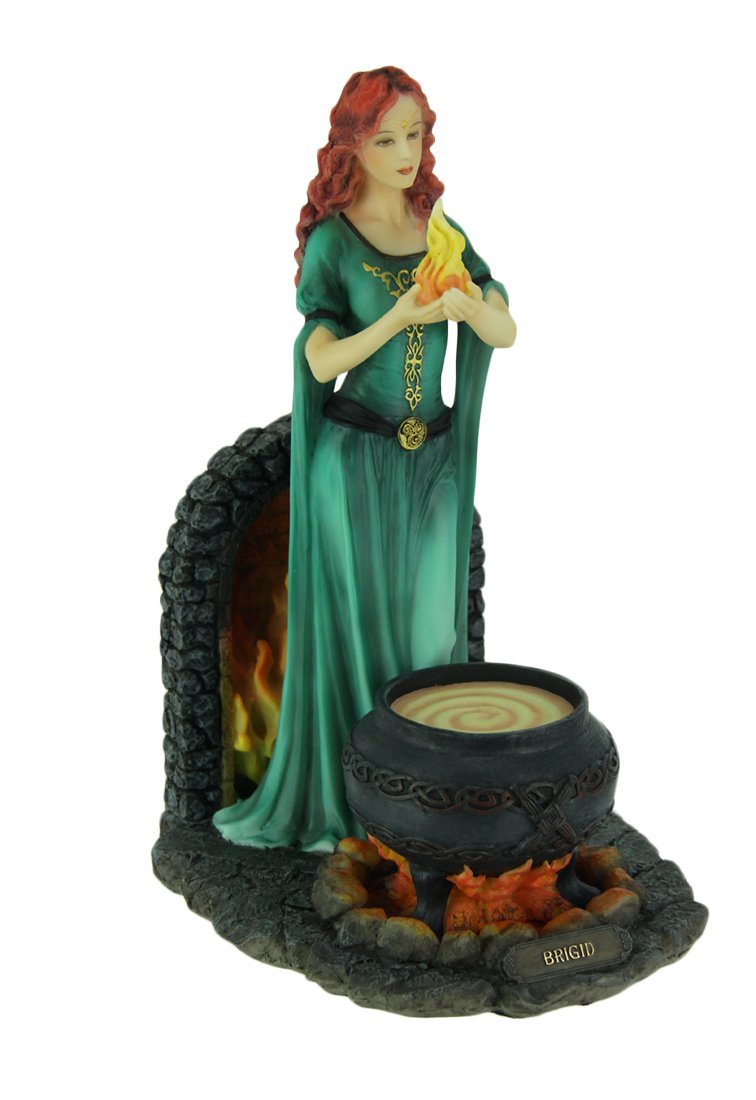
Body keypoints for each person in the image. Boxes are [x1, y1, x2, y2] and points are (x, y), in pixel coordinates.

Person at [214, 67, 516, 851]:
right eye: (385, 139)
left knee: (432, 639)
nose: (405, 153)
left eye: (415, 134)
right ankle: (362, 806)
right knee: (357, 640)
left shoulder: (438, 227)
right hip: (351, 465)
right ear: (352, 146)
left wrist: (470, 306)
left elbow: (504, 326)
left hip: (431, 465)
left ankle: (424, 802)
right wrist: (400, 317)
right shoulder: (334, 241)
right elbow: (319, 357)